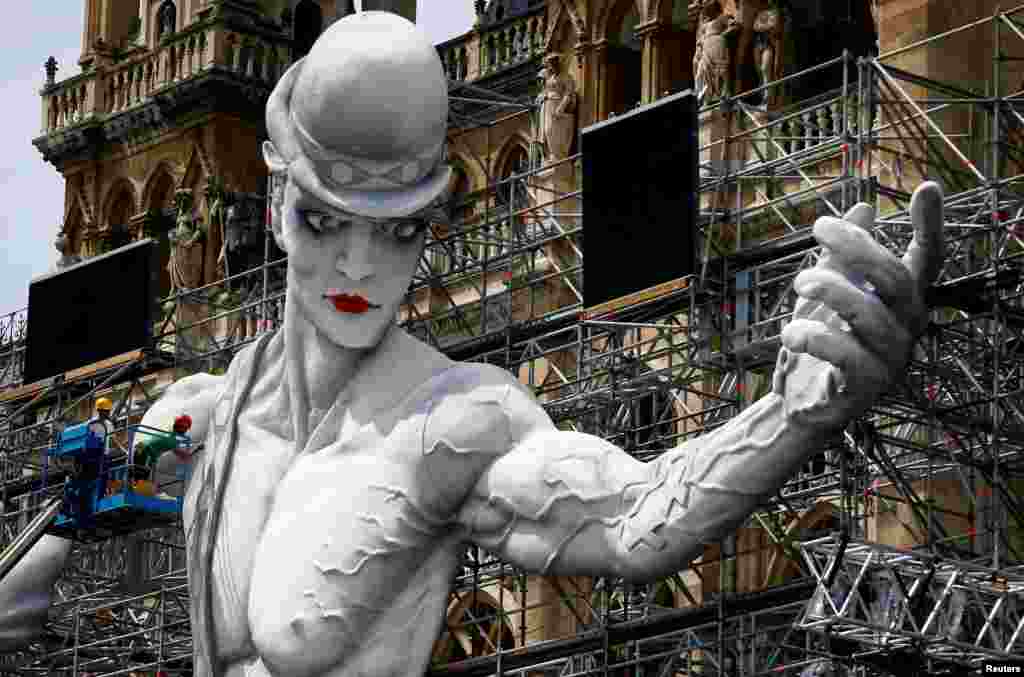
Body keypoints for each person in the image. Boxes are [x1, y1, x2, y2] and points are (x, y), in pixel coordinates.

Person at [1, 11, 947, 675]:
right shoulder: (198, 419)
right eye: (331, 219)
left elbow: (639, 519)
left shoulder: (453, 427)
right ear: (278, 208)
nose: (361, 264)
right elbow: (49, 568)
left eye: (400, 227)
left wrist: (793, 412)